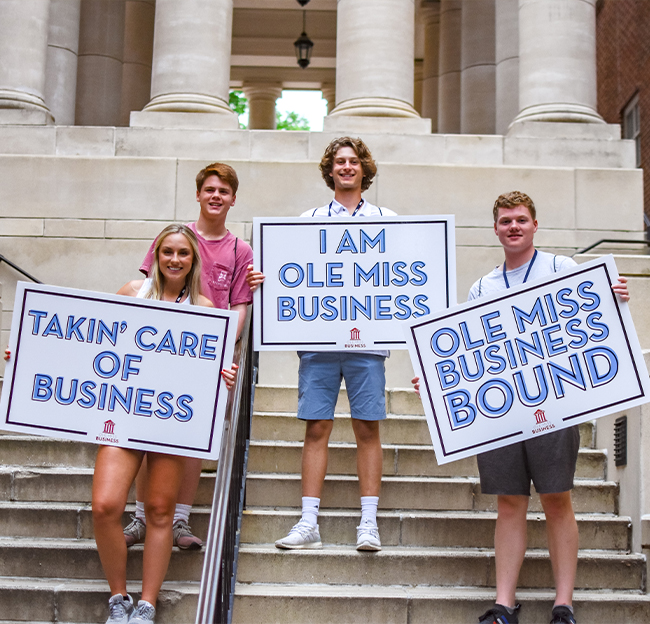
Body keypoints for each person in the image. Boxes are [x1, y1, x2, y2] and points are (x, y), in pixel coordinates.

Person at [413, 191, 629, 624]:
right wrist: (436, 378)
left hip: (555, 406)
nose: (513, 227)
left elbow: (592, 319)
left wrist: (616, 297)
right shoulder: (483, 287)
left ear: (534, 225)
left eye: (521, 220)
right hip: (502, 416)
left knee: (556, 499)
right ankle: (504, 604)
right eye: (505, 221)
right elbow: (470, 357)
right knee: (509, 503)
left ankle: (563, 604)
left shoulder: (560, 269)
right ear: (495, 229)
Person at [246, 136, 395, 552]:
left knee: (368, 428)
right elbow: (293, 272)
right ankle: (308, 521)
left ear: (364, 168)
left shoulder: (388, 219)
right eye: (339, 162)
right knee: (317, 427)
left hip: (368, 343)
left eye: (353, 161)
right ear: (330, 170)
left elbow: (406, 274)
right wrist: (265, 279)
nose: (346, 167)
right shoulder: (308, 218)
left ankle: (369, 522)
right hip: (318, 342)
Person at [124, 163, 253, 551]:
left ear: (233, 199)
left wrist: (221, 349)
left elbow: (240, 305)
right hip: (156, 360)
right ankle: (140, 517)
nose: (216, 196)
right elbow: (146, 292)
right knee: (146, 435)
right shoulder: (174, 239)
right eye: (209, 189)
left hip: (204, 361)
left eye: (223, 191)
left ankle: (179, 519)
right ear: (198, 194)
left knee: (196, 436)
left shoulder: (239, 250)